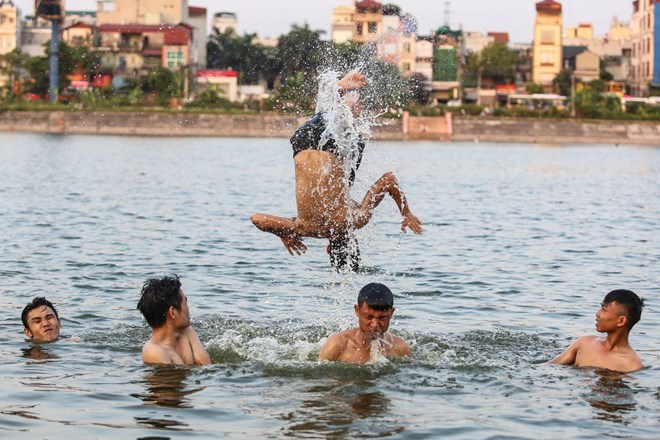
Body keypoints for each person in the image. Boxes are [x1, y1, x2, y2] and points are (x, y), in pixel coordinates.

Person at [251, 71, 423, 271]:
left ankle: (340, 96)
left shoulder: (355, 220)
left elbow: (389, 179)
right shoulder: (303, 228)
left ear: (354, 243)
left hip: (331, 148)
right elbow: (256, 218)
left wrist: (406, 213)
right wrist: (282, 232)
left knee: (350, 148)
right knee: (341, 174)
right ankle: (338, 98)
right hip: (301, 143)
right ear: (328, 249)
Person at [550, 289, 644, 373]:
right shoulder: (584, 343)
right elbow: (550, 366)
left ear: (621, 321)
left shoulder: (631, 365)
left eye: (604, 309)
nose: (597, 314)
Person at [319, 283, 410, 364]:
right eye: (369, 317)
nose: (375, 325)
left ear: (391, 313)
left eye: (382, 318)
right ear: (357, 310)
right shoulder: (337, 345)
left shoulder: (400, 348)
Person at [137, 275, 211, 365]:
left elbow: (207, 365)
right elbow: (171, 378)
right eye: (185, 303)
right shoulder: (153, 351)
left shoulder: (187, 331)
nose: (188, 308)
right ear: (173, 312)